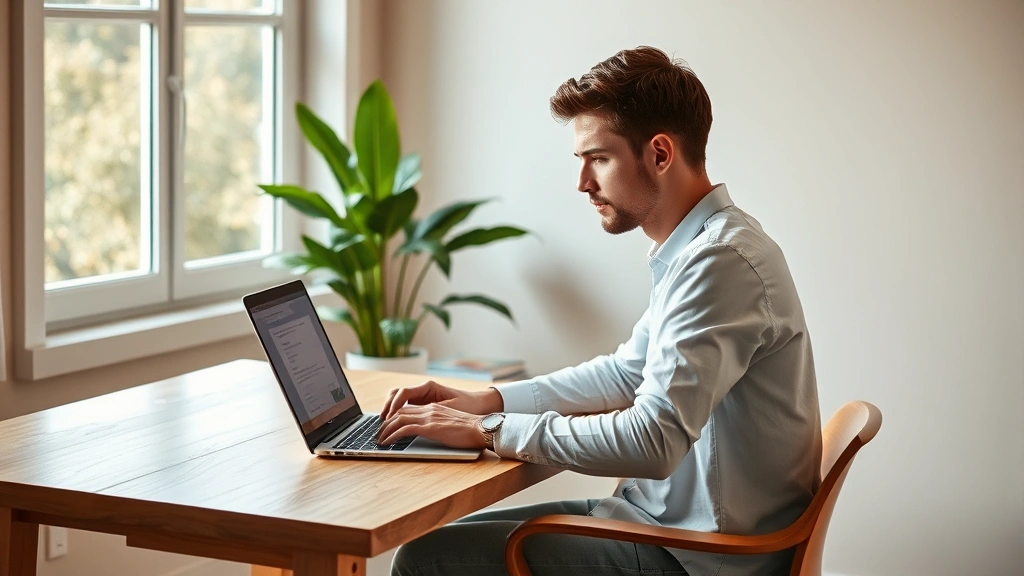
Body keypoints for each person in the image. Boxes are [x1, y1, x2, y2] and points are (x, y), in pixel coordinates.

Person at [378, 46, 822, 576]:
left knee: (428, 560)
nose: (583, 183)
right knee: (441, 542)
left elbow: (653, 441)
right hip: (660, 523)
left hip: (696, 557)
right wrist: (484, 401)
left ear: (660, 154)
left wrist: (492, 428)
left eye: (599, 158)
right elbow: (625, 372)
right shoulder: (700, 249)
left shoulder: (720, 262)